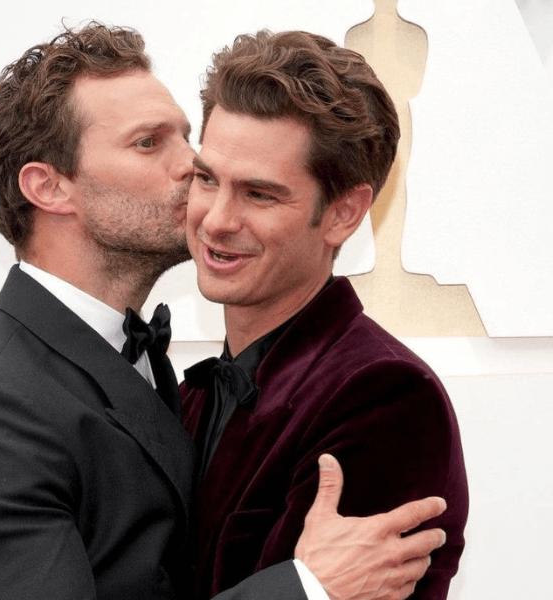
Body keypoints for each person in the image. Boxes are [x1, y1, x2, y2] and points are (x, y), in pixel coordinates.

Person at [0, 22, 447, 600]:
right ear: (50, 188)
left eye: (186, 138)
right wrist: (307, 589)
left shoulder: (172, 378)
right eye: (149, 142)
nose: (192, 166)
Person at [181, 30, 469, 600]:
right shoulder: (194, 394)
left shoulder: (385, 399)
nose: (215, 219)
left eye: (259, 194)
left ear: (343, 213)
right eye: (207, 178)